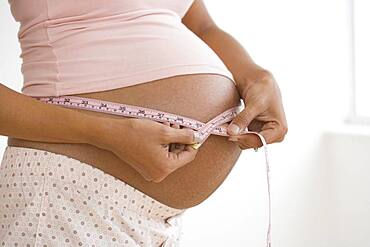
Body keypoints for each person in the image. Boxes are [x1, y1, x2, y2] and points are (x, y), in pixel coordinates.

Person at [0, 0, 287, 246]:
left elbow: (200, 25)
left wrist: (253, 74)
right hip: (65, 191)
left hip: (160, 220)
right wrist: (105, 132)